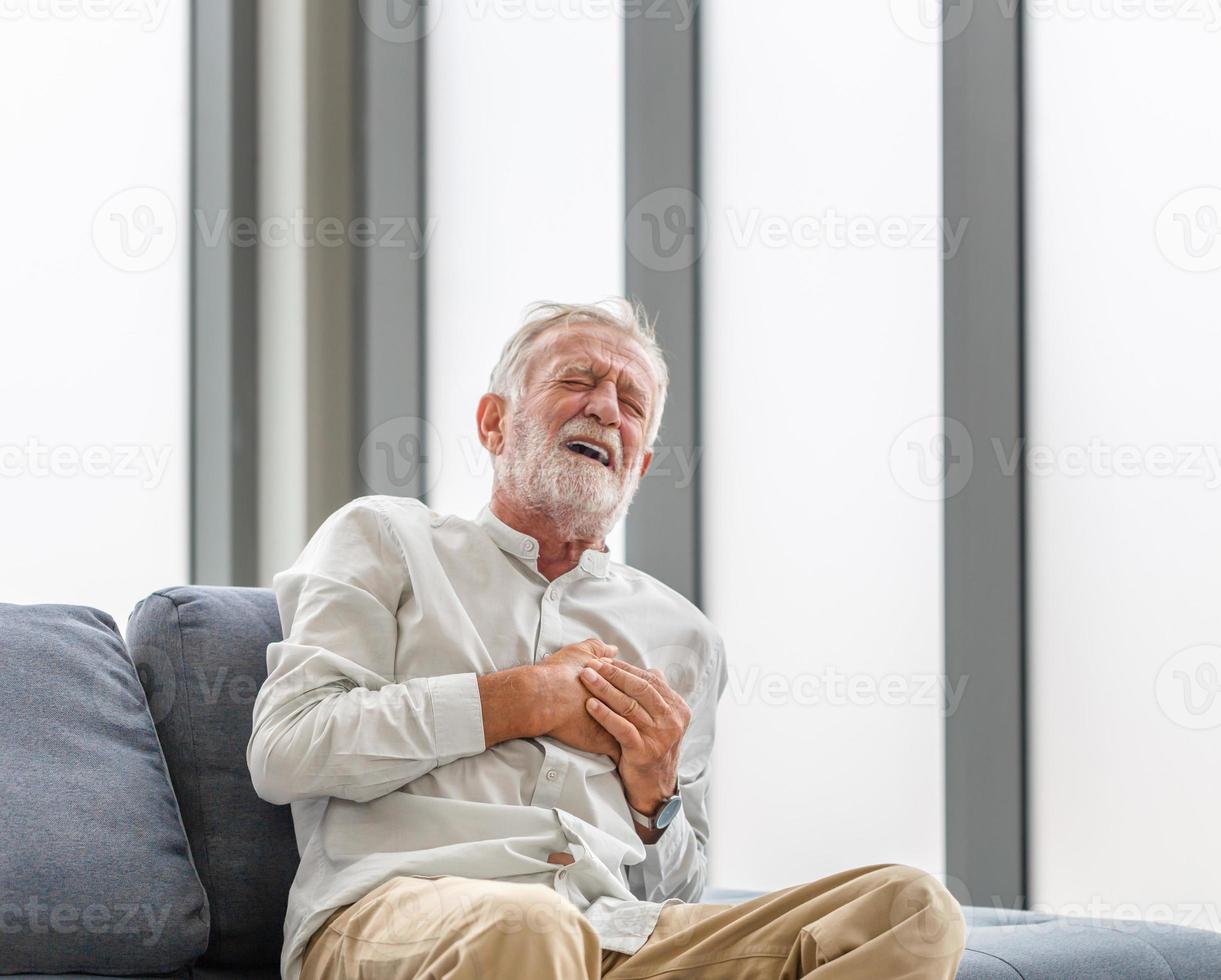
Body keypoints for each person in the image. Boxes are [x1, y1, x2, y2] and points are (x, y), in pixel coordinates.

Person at [246, 299, 967, 979]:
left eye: (632, 404)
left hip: (616, 934)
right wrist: (522, 699)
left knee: (909, 911)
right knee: (531, 928)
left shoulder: (685, 638)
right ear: (494, 422)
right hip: (395, 910)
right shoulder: (387, 538)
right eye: (577, 380)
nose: (605, 409)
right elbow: (287, 750)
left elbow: (678, 886)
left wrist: (656, 798)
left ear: (640, 465)